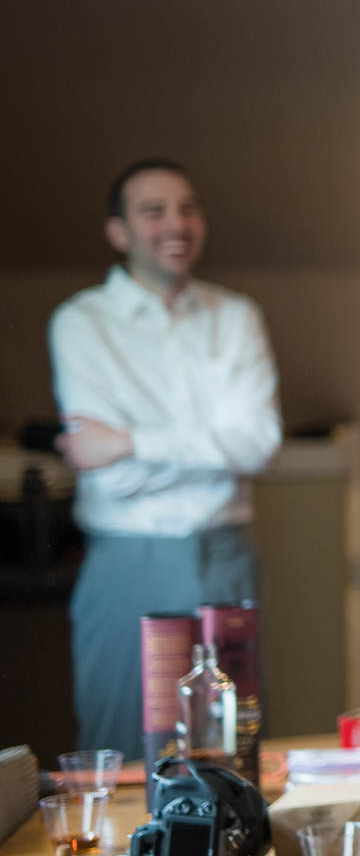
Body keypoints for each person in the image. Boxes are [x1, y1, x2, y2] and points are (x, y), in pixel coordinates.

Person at [49, 159, 282, 753]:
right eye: (153, 210)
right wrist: (209, 444)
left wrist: (129, 440)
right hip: (128, 561)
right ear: (119, 232)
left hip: (226, 556)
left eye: (188, 207)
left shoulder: (236, 317)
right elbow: (120, 482)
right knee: (124, 743)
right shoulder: (82, 323)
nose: (176, 223)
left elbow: (257, 442)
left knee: (232, 745)